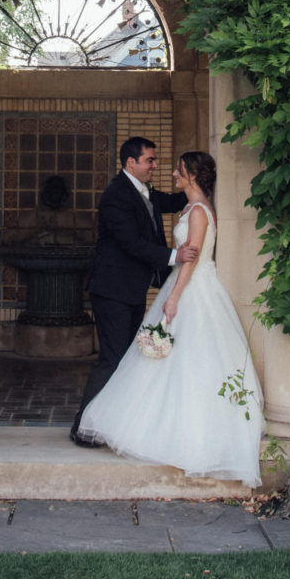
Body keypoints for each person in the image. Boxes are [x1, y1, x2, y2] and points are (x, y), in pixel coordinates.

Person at [76, 150, 264, 487]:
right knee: (164, 360)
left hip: (192, 289)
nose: (172, 173)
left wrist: (174, 297)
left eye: (179, 169)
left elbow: (191, 259)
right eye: (153, 162)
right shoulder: (190, 207)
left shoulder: (199, 211)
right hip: (181, 285)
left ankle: (190, 434)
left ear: (192, 175)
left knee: (189, 361)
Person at [70, 136, 193, 447]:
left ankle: (110, 424)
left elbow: (170, 202)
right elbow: (131, 243)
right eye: (150, 160)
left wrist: (198, 185)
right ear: (131, 162)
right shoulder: (115, 196)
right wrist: (174, 256)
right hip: (112, 291)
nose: (155, 165)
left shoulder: (142, 190)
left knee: (125, 359)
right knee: (111, 359)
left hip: (131, 291)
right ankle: (82, 428)